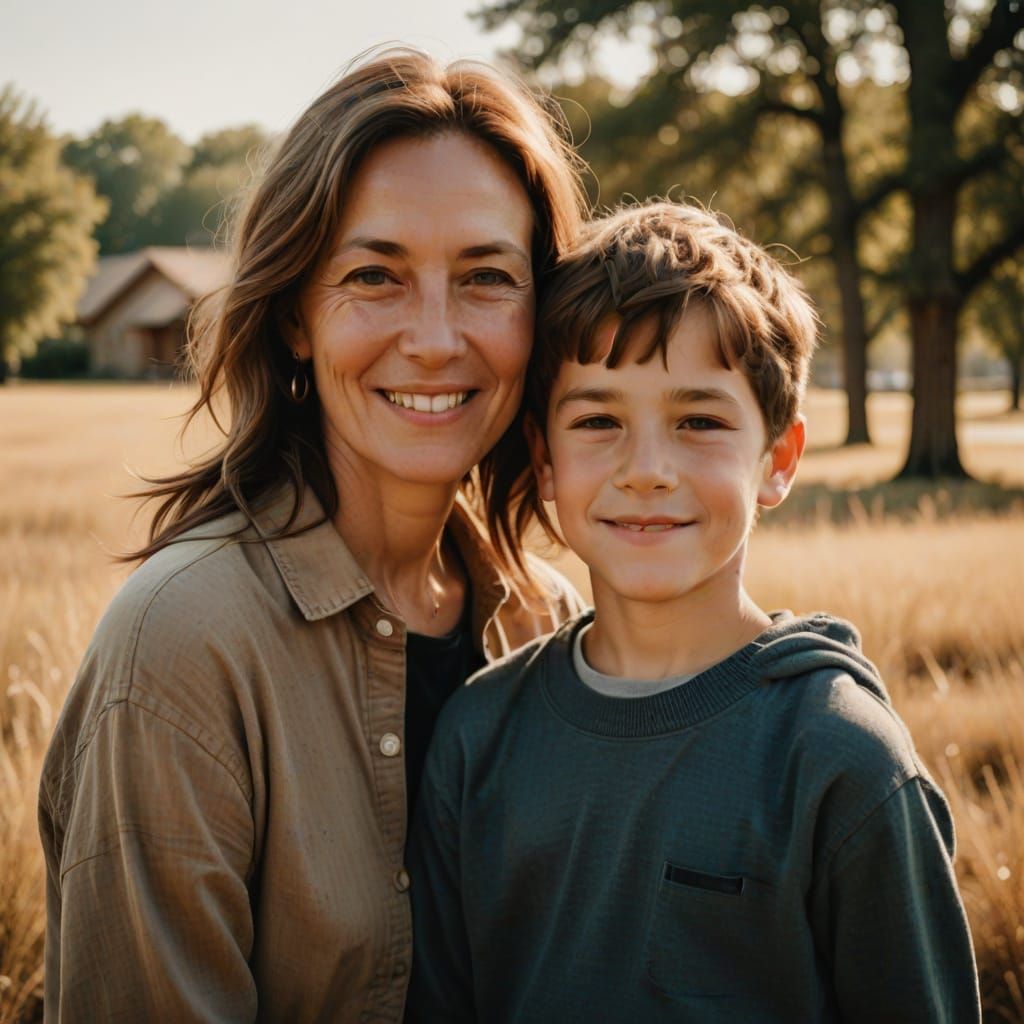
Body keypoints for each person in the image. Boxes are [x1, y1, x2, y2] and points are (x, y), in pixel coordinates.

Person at [38, 48, 589, 1022]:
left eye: (486, 276)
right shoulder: (182, 645)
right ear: (295, 316)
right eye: (374, 274)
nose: (432, 335)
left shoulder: (555, 623)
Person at [406, 202, 981, 1022]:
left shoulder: (841, 761)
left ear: (778, 460)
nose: (647, 470)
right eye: (599, 420)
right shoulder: (477, 736)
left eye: (699, 421)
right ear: (543, 460)